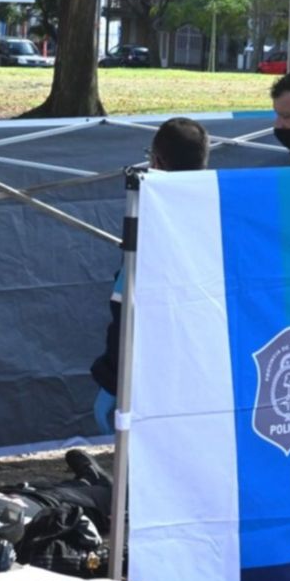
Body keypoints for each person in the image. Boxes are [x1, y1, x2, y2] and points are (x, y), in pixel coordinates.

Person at [88, 117, 208, 435]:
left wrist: (112, 379)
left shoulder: (151, 223)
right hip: (198, 373)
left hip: (145, 379)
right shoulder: (216, 211)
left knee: (109, 420)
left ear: (156, 160)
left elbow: (124, 313)